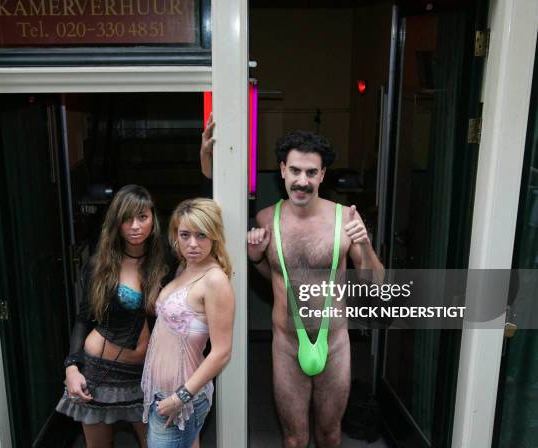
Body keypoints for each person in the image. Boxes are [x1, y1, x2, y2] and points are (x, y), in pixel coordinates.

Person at [247, 131, 384, 448]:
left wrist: (363, 242)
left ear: (322, 175)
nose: (302, 181)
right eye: (295, 171)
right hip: (286, 346)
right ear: (282, 170)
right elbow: (277, 278)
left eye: (311, 172)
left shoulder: (345, 218)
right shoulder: (267, 219)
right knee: (294, 440)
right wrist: (256, 259)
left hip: (334, 345)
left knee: (329, 435)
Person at [56, 184, 168, 448]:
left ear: (153, 219)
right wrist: (72, 367)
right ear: (116, 223)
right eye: (127, 219)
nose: (135, 226)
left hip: (146, 374)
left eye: (142, 217)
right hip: (99, 372)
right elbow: (83, 319)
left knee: (158, 443)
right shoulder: (100, 264)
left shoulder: (167, 260)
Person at [142, 198, 235, 448]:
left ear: (214, 236)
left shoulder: (215, 280)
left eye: (202, 235)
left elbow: (222, 352)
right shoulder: (185, 267)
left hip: (181, 400)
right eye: (185, 235)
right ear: (176, 236)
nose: (193, 244)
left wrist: (180, 397)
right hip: (163, 395)